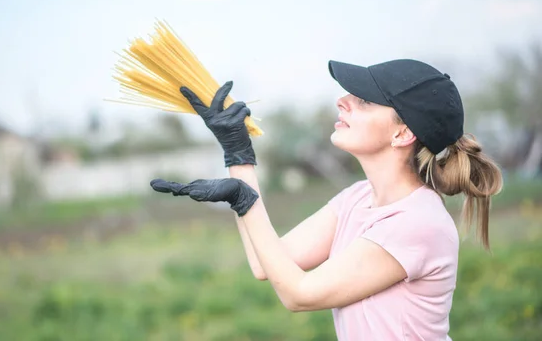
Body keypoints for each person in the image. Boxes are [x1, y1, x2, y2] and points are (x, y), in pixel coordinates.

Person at [150, 59, 503, 340]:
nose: (343, 100)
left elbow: (299, 294)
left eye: (364, 101)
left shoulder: (418, 223)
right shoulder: (358, 198)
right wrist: (237, 155)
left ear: (403, 132)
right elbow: (267, 264)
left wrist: (246, 202)